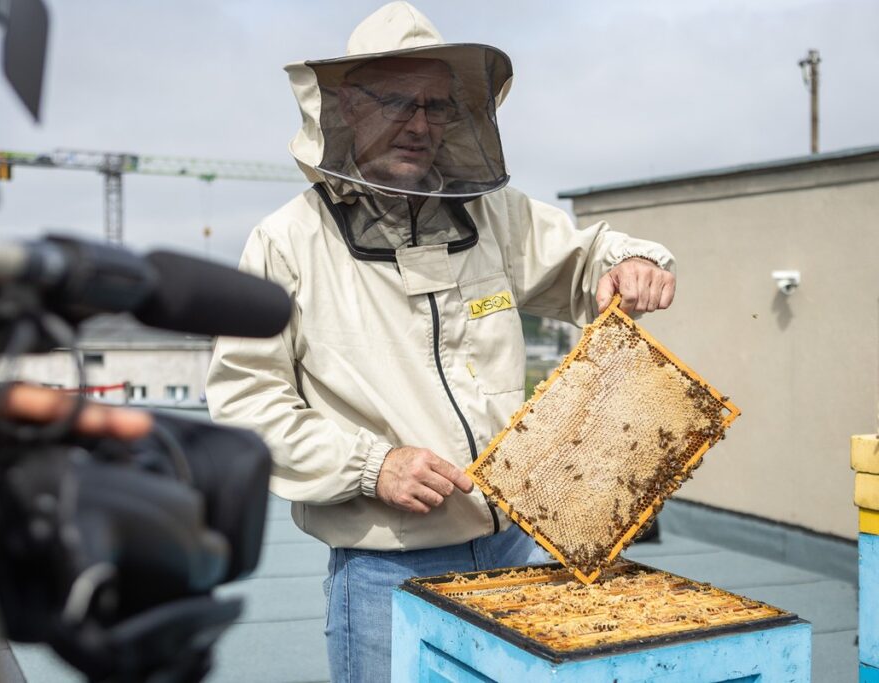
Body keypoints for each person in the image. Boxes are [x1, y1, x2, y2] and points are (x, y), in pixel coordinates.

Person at [206, 3, 676, 680]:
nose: (420, 123)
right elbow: (248, 406)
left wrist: (630, 265)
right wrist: (374, 464)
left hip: (515, 546)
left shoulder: (493, 215)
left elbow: (589, 255)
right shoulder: (285, 243)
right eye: (397, 100)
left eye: (435, 105)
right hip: (386, 567)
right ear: (346, 107)